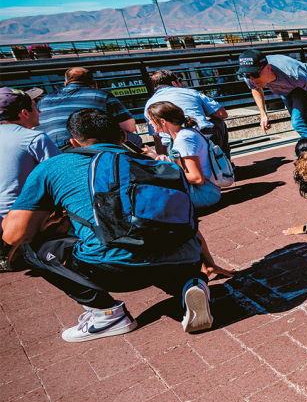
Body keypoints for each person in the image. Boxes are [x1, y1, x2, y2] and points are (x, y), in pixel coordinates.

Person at [2, 109, 211, 341]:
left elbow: (14, 235)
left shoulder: (55, 166)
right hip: (185, 259)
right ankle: (190, 284)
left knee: (31, 247)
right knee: (157, 242)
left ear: (74, 142)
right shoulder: (157, 163)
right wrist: (207, 263)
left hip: (116, 271)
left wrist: (53, 221)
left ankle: (107, 315)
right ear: (122, 137)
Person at [0, 88, 61, 271]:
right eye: (35, 107)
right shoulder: (34, 138)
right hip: (18, 223)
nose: (40, 112)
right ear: (24, 113)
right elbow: (60, 178)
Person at [237, 49, 307, 147]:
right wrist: (263, 114)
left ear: (268, 68)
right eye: (247, 75)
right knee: (305, 124)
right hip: (283, 90)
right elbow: (255, 89)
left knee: (299, 123)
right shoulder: (250, 77)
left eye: (255, 74)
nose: (252, 80)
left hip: (299, 86)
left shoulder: (294, 74)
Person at [36, 67, 139, 151]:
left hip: (48, 149)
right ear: (95, 84)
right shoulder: (101, 95)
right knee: (134, 138)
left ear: (65, 84)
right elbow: (129, 127)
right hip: (86, 147)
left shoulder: (43, 100)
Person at [144, 102, 221, 209]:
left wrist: (164, 172)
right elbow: (182, 167)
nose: (150, 123)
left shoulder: (184, 139)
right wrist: (154, 156)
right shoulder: (181, 134)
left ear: (162, 121)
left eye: (151, 120)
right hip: (202, 189)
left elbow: (197, 178)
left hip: (204, 193)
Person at [144, 70, 230, 158]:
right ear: (174, 83)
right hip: (203, 138)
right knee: (219, 122)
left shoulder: (149, 105)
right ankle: (226, 161)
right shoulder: (190, 92)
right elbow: (222, 114)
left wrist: (164, 159)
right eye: (180, 80)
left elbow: (156, 135)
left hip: (171, 144)